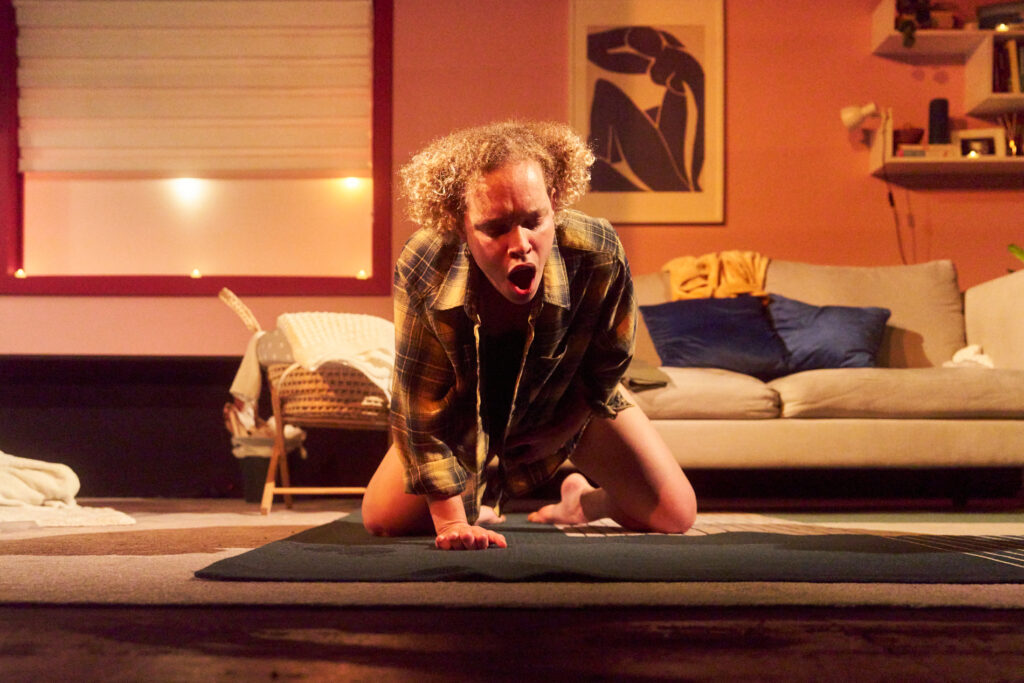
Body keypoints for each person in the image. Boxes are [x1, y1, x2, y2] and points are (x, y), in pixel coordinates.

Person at [361, 120, 696, 551]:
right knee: (383, 520)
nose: (520, 243)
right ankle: (471, 506)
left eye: (534, 220)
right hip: (458, 411)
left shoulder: (596, 250)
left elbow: (610, 357)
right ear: (458, 222)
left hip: (563, 398)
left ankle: (582, 504)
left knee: (674, 514)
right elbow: (420, 404)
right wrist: (452, 523)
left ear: (554, 201)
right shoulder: (426, 262)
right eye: (495, 227)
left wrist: (567, 425)